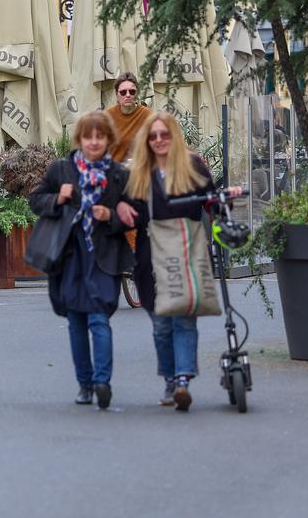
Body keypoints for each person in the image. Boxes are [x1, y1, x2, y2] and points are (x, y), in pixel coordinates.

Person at [30, 110, 133, 410]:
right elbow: (35, 200)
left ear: (108, 139)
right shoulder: (61, 170)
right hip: (70, 256)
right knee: (76, 322)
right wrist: (57, 198)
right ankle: (85, 385)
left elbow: (133, 214)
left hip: (104, 258)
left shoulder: (118, 175)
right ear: (80, 139)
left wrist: (111, 215)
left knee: (99, 320)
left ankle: (102, 383)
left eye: (100, 136)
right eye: (89, 136)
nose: (94, 142)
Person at [120, 110, 211, 412]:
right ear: (147, 141)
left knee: (183, 320)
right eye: (154, 136)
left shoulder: (193, 166)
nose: (159, 140)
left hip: (186, 253)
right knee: (161, 326)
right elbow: (129, 212)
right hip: (150, 258)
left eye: (164, 134)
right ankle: (170, 379)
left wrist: (224, 207)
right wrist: (117, 213)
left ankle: (182, 381)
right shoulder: (140, 175)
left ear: (174, 137)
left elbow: (211, 201)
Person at [103, 72, 149, 163]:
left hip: (140, 170)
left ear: (137, 93)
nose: (128, 95)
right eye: (123, 92)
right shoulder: (107, 117)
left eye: (132, 91)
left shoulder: (148, 116)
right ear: (116, 94)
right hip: (113, 170)